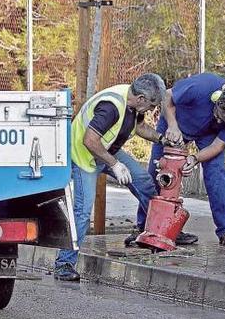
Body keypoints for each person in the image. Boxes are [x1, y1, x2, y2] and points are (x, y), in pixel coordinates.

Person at [54, 73, 171, 282]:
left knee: (143, 182)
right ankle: (64, 263)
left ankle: (159, 232)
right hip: (84, 157)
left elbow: (139, 127)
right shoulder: (111, 107)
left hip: (107, 150)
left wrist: (162, 139)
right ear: (142, 99)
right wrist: (115, 164)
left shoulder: (133, 103)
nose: (152, 110)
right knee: (82, 211)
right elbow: (90, 140)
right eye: (152, 105)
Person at [148, 72, 225, 246]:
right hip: (176, 121)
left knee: (217, 175)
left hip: (208, 135)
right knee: (158, 172)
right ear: (215, 99)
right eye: (217, 114)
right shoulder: (201, 86)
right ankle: (145, 226)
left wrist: (195, 158)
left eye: (222, 121)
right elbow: (167, 96)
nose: (218, 120)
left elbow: (218, 146)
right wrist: (172, 126)